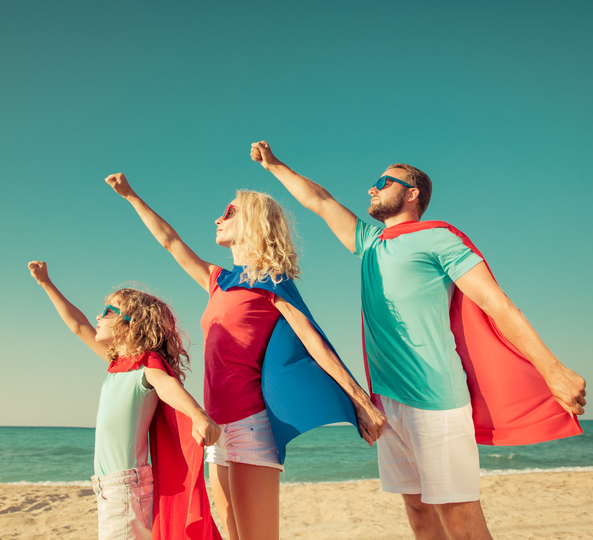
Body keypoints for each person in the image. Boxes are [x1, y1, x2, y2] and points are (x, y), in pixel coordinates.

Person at [250, 140, 587, 540]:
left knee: (458, 515)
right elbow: (320, 201)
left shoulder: (439, 239)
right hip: (388, 404)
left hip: (436, 400)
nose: (371, 189)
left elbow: (498, 305)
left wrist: (554, 370)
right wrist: (275, 166)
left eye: (383, 181)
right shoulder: (370, 243)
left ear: (411, 193)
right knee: (417, 509)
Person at [105, 173, 386, 540]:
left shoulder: (272, 282)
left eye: (229, 211)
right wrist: (131, 196)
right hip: (217, 428)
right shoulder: (218, 279)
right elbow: (170, 242)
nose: (218, 219)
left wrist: (360, 400)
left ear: (253, 220)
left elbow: (314, 341)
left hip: (251, 426)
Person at [27, 260, 222, 540]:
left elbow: (166, 385)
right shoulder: (121, 364)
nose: (98, 316)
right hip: (112, 487)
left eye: (107, 311)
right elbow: (79, 325)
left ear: (130, 324)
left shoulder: (145, 363)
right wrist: (46, 283)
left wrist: (198, 414)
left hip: (126, 488)